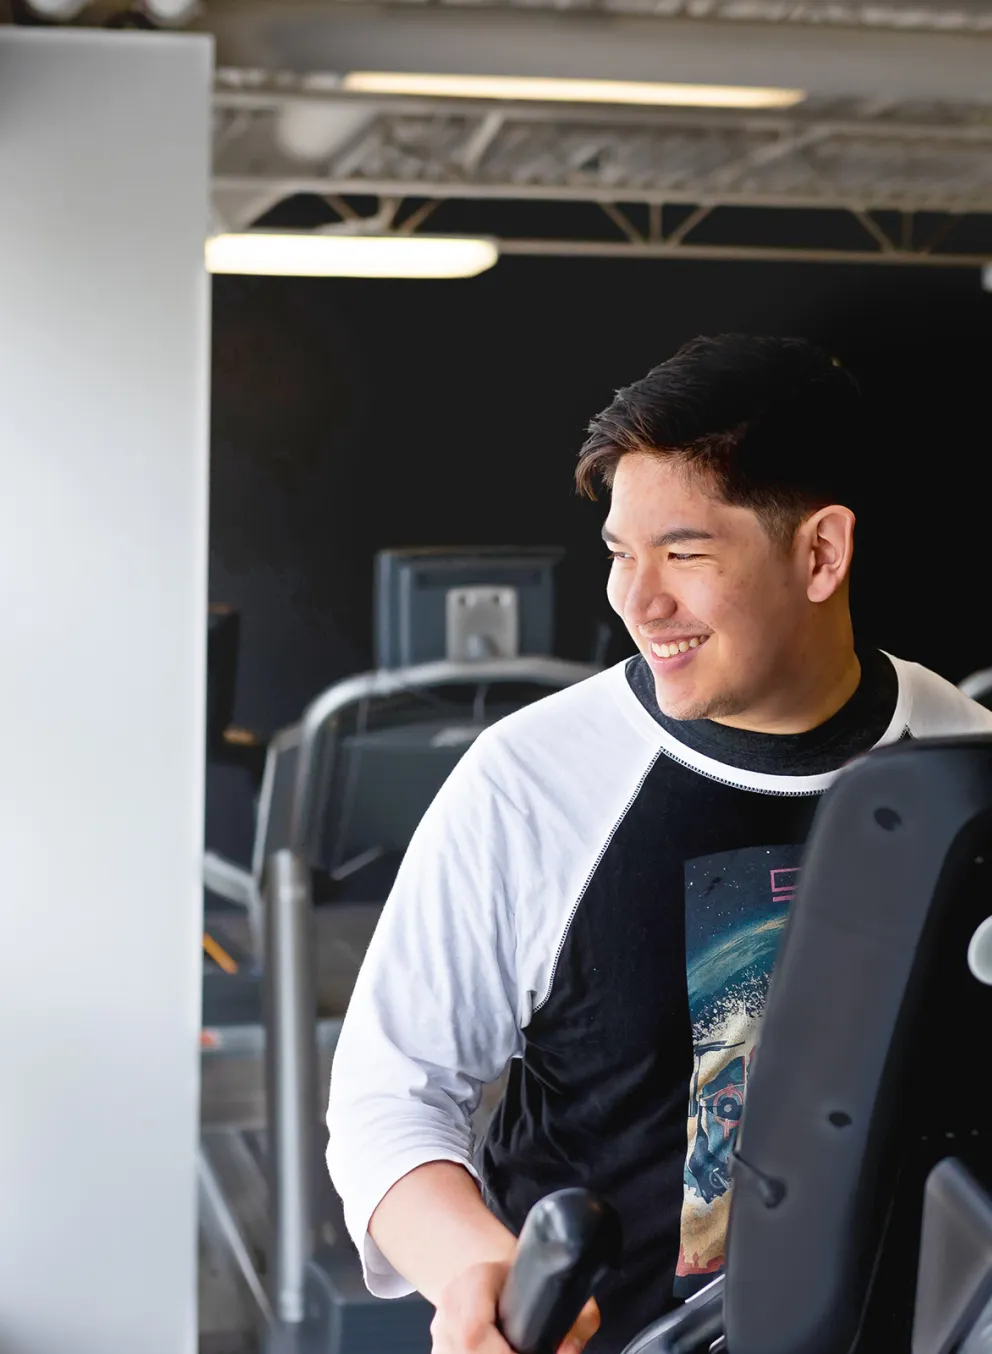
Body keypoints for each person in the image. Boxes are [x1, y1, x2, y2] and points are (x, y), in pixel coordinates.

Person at [326, 334, 992, 1354]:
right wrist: (471, 1265)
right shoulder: (530, 782)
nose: (634, 601)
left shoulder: (963, 761)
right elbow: (388, 1094)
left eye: (681, 553)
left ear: (818, 553)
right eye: (617, 553)